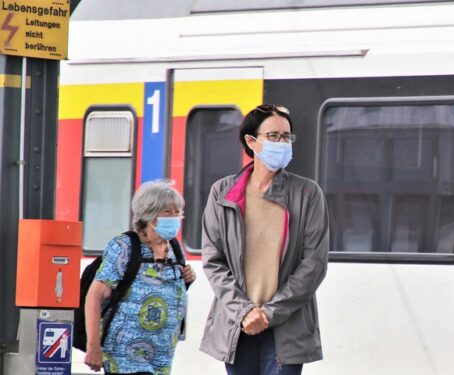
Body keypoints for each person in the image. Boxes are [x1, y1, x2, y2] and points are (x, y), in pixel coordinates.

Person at [200, 104, 330, 375]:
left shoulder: (307, 193)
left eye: (287, 136)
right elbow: (214, 261)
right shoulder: (222, 193)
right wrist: (245, 312)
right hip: (238, 325)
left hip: (287, 326)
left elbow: (314, 263)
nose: (282, 143)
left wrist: (270, 313)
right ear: (251, 141)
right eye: (274, 136)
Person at [84, 180, 197, 375]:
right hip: (125, 352)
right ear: (149, 215)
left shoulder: (174, 249)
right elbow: (94, 296)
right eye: (167, 212)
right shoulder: (125, 246)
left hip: (163, 355)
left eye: (177, 212)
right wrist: (93, 346)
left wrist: (188, 278)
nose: (175, 218)